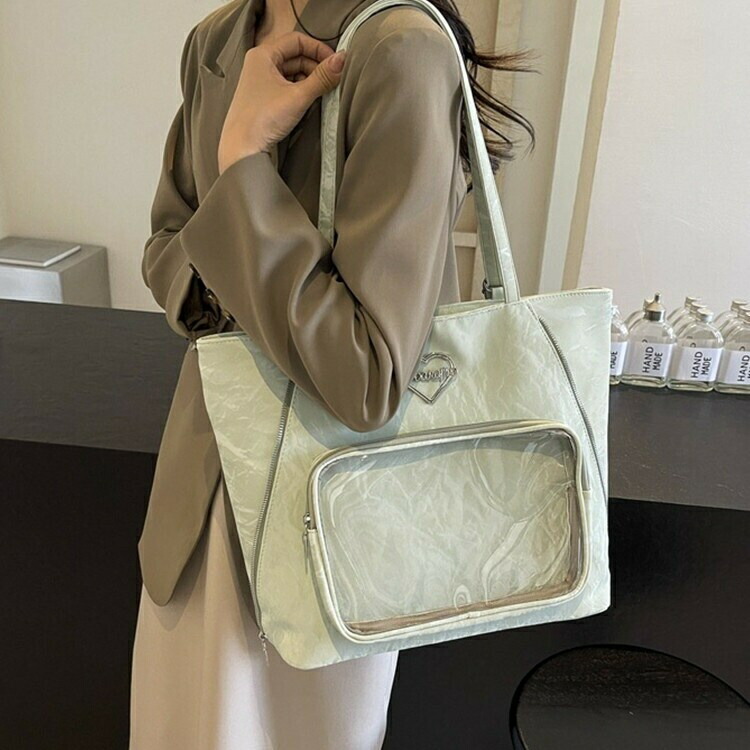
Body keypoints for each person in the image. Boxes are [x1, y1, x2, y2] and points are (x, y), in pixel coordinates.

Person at [130, 1, 534, 747]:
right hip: (196, 503)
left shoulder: (401, 48)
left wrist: (243, 163)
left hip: (325, 526)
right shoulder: (218, 38)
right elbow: (165, 245)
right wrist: (232, 271)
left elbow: (367, 376)